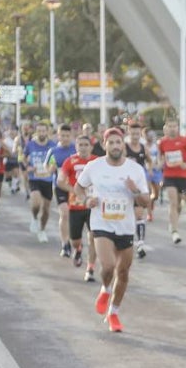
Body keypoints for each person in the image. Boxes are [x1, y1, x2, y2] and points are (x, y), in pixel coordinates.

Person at [74, 127, 152, 332]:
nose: (116, 146)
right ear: (104, 144)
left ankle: (114, 312)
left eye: (119, 143)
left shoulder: (135, 170)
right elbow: (78, 187)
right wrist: (85, 199)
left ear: (123, 145)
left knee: (123, 272)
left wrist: (133, 189)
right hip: (101, 223)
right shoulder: (94, 166)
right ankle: (105, 288)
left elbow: (145, 202)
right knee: (108, 266)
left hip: (125, 226)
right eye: (112, 143)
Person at [58, 133, 99, 281]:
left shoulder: (97, 162)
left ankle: (90, 269)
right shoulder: (70, 161)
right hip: (75, 206)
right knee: (75, 239)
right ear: (76, 146)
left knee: (93, 237)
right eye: (80, 145)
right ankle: (78, 248)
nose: (83, 148)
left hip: (93, 206)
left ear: (91, 147)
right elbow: (60, 181)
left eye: (86, 145)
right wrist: (75, 190)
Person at [157, 118, 186, 245]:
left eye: (174, 126)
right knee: (173, 202)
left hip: (183, 176)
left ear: (178, 128)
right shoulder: (162, 142)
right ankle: (174, 230)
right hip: (169, 176)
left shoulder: (185, 141)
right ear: (166, 128)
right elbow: (160, 158)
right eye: (170, 126)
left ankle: (173, 221)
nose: (172, 128)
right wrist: (160, 163)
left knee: (180, 203)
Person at [123, 121, 153, 259]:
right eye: (132, 133)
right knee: (127, 215)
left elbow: (149, 160)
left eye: (137, 133)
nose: (135, 136)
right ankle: (126, 240)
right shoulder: (124, 148)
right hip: (125, 184)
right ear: (129, 133)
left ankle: (141, 244)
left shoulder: (143, 147)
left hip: (139, 184)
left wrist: (150, 170)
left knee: (139, 214)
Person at [49, 124, 77, 257]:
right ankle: (65, 244)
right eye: (62, 136)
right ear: (58, 136)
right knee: (64, 213)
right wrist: (52, 168)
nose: (65, 138)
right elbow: (48, 169)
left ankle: (75, 241)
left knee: (75, 216)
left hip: (74, 187)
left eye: (67, 136)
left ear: (71, 136)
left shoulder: (76, 149)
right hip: (60, 186)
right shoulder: (53, 151)